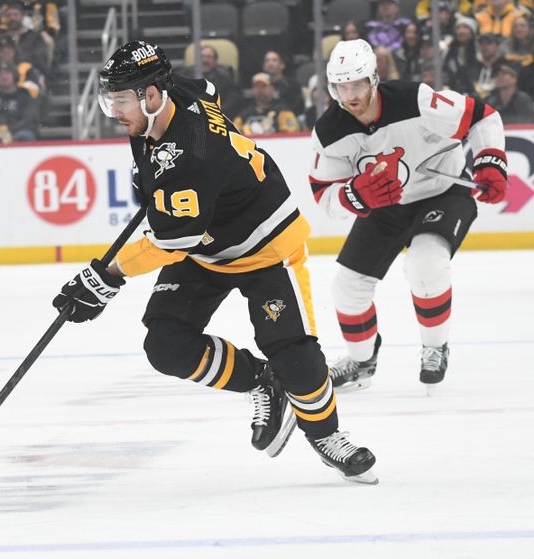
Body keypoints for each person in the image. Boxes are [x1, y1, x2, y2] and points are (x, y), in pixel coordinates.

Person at [52, 41, 378, 484]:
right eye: (110, 99)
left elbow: (172, 241)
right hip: (207, 246)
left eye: (121, 100)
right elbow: (208, 89)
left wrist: (106, 276)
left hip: (266, 246)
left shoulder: (189, 157)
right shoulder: (179, 92)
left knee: (295, 355)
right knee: (165, 346)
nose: (115, 111)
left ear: (151, 95)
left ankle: (325, 436)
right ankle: (262, 381)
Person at [308, 39, 507, 392]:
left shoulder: (416, 100)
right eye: (341, 86)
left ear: (373, 79)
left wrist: (491, 161)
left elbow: (482, 117)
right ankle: (361, 359)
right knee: (347, 287)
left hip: (443, 194)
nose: (350, 95)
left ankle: (435, 347)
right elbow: (325, 196)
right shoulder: (329, 132)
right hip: (385, 207)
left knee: (425, 264)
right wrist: (355, 195)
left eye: (356, 84)